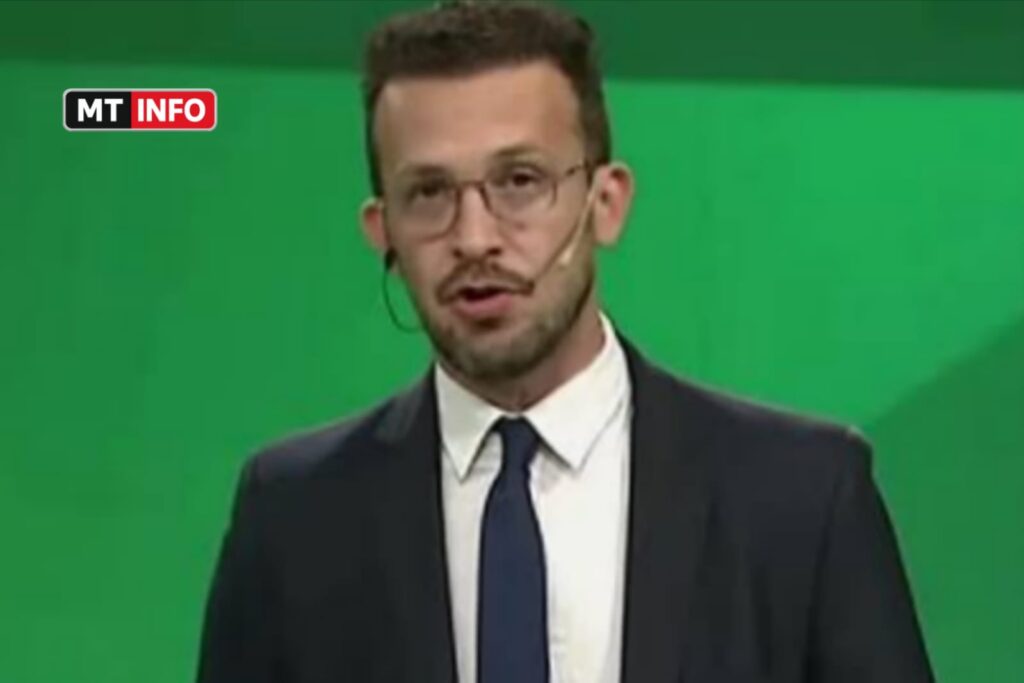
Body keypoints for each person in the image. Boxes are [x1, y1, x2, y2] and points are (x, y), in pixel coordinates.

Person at [196, 2, 934, 682]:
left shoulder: (803, 497)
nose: (474, 237)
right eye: (428, 193)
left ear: (605, 203)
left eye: (519, 180)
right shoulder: (292, 518)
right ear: (381, 230)